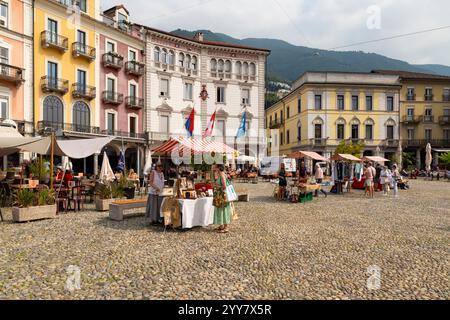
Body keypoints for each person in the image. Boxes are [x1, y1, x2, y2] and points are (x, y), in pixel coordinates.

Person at [212, 164, 232, 234]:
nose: (213, 167)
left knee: (223, 210)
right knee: (220, 209)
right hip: (219, 194)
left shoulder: (222, 174)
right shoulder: (219, 173)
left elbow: (224, 186)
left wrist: (216, 186)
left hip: (223, 195)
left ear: (218, 167)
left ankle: (226, 227)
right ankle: (221, 225)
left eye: (215, 166)